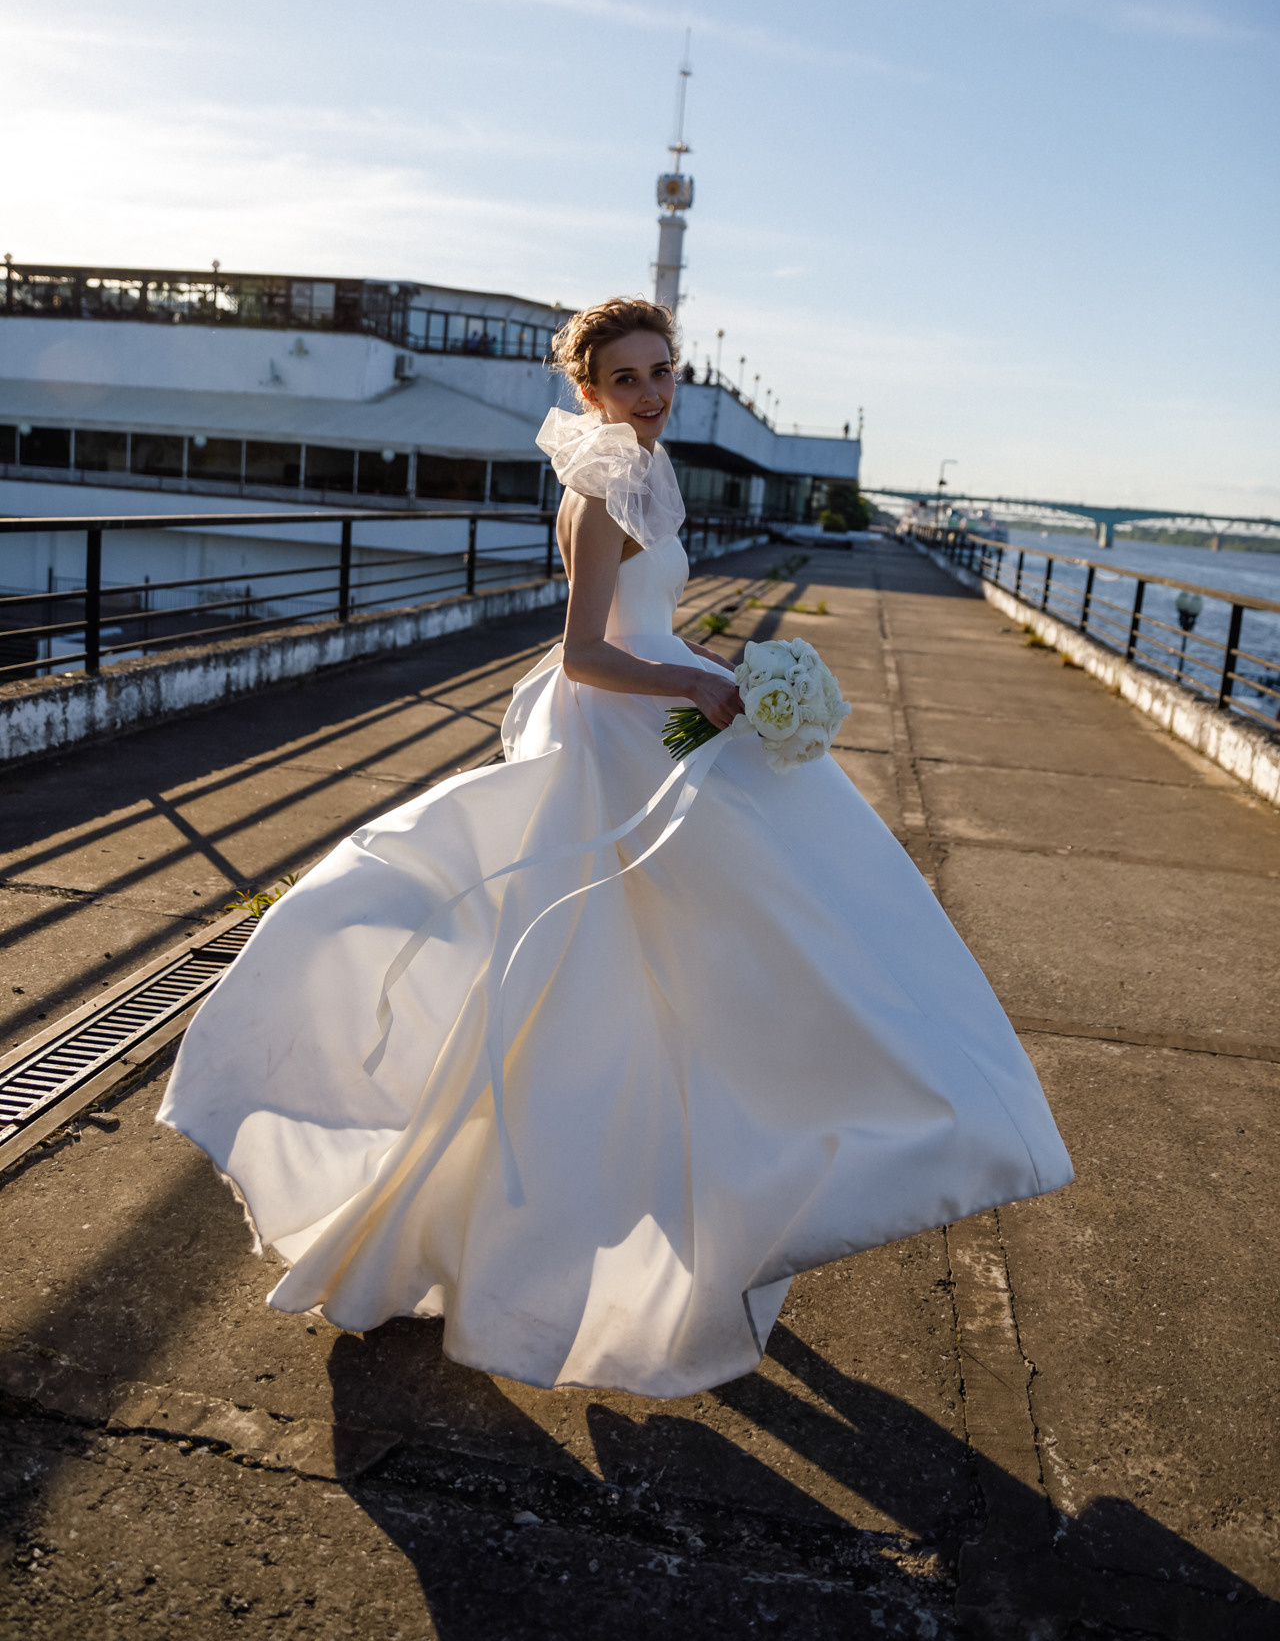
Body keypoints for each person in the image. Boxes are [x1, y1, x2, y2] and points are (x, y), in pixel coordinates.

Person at [159, 296, 1071, 1399]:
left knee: (732, 945)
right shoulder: (597, 487)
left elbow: (647, 625)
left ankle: (772, 1168)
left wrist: (724, 674)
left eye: (660, 371)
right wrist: (693, 679)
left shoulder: (649, 467)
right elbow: (586, 651)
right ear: (586, 392)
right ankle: (621, 1204)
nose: (649, 393)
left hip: (663, 719)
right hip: (616, 738)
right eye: (626, 379)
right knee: (616, 974)